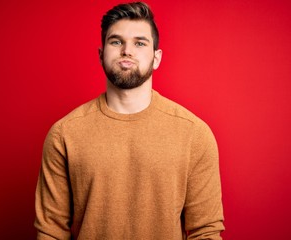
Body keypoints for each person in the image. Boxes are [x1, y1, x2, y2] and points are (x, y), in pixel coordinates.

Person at [35, 2, 225, 239]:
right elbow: (50, 231)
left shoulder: (194, 134)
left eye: (139, 43)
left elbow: (205, 231)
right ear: (101, 54)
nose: (127, 50)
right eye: (116, 41)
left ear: (156, 58)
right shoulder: (65, 134)